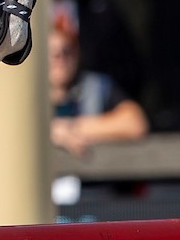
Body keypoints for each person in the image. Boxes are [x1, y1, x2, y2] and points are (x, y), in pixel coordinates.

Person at [47, 11, 148, 156]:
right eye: (53, 53)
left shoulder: (96, 86)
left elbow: (135, 123)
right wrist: (50, 132)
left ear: (78, 54)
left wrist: (71, 128)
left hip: (90, 172)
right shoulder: (27, 95)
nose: (60, 60)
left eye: (67, 51)